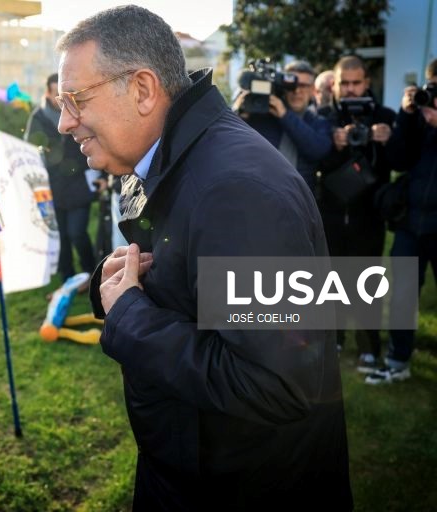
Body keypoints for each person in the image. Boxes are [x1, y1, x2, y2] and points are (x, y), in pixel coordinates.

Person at [56, 6, 352, 510]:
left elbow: (275, 385)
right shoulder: (175, 156)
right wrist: (119, 287)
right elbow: (192, 288)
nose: (64, 123)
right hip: (194, 468)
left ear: (144, 90)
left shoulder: (238, 190)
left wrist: (131, 319)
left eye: (76, 100)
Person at [317, 55, 396, 372]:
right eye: (344, 83)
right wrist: (332, 145)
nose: (350, 89)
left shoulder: (385, 116)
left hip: (368, 215)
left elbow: (399, 162)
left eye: (356, 82)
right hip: (330, 214)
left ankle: (369, 347)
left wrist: (387, 140)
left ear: (367, 82)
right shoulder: (322, 118)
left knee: (368, 284)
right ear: (335, 83)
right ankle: (333, 340)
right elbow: (314, 165)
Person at [367, 59, 437, 384]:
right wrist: (408, 117)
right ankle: (397, 360)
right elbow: (399, 159)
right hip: (412, 222)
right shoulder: (419, 116)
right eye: (431, 87)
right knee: (404, 293)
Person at [25, 72, 96, 280]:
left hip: (78, 184)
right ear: (47, 93)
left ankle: (91, 273)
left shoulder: (77, 112)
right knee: (61, 236)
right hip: (52, 187)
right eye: (56, 93)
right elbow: (30, 149)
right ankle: (68, 278)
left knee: (77, 233)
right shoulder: (37, 118)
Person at [233, 60, 333, 188]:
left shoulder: (319, 121)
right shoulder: (260, 116)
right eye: (290, 86)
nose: (296, 91)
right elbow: (230, 143)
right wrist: (238, 112)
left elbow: (317, 151)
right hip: (256, 195)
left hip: (297, 201)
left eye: (303, 85)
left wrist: (284, 115)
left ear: (313, 89)